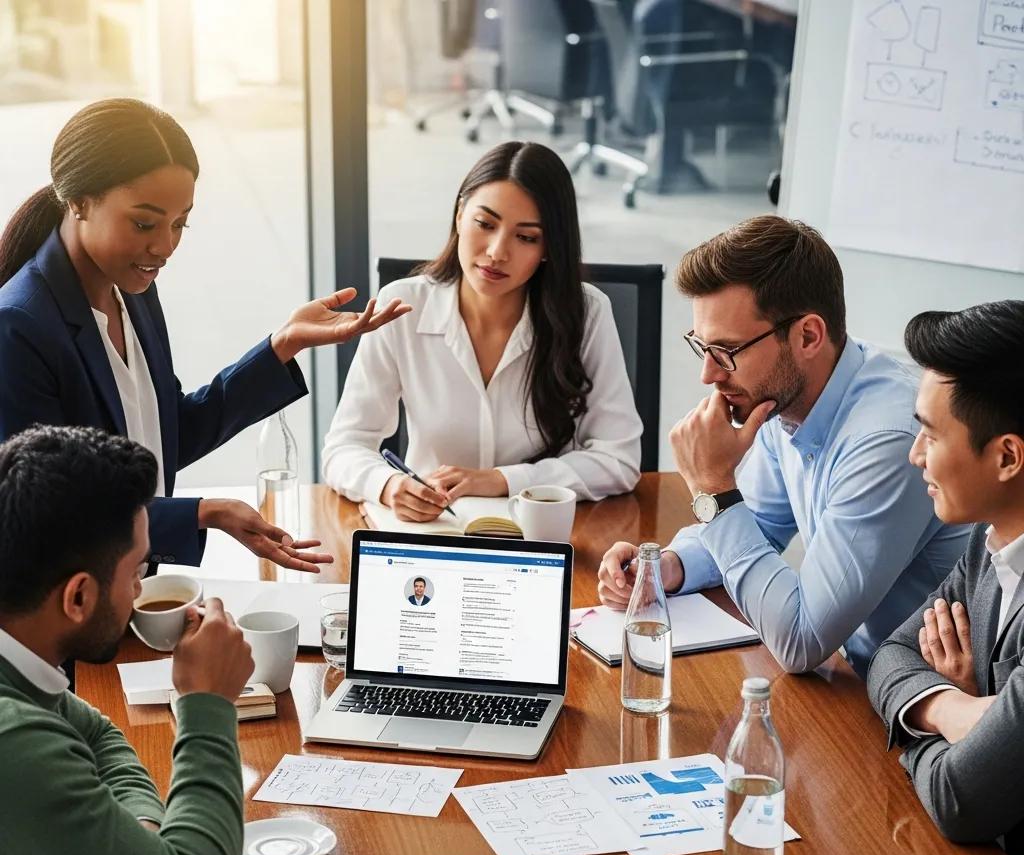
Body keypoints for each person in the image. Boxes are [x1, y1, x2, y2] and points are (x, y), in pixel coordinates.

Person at [0, 98, 410, 570]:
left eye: (180, 223)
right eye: (144, 223)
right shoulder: (21, 327)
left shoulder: (130, 290)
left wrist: (284, 345)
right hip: (71, 601)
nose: (165, 246)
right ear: (78, 201)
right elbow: (51, 514)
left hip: (133, 581)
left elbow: (172, 431)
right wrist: (200, 513)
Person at [597, 216, 969, 678]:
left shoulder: (887, 441)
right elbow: (759, 526)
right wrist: (668, 567)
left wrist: (712, 488)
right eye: (703, 348)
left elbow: (800, 640)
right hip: (854, 678)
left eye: (728, 351)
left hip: (908, 700)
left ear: (808, 336)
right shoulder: (784, 399)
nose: (709, 376)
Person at [0, 425, 255, 855]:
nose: (143, 590)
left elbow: (98, 735)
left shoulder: (20, 651)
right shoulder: (13, 743)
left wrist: (138, 833)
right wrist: (207, 703)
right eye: (138, 571)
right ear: (79, 598)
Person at [320, 141, 642, 520]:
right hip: (434, 535)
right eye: (485, 224)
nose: (496, 252)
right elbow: (343, 447)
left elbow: (619, 460)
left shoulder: (586, 313)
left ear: (549, 248)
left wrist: (503, 480)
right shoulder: (403, 308)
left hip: (544, 538)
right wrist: (387, 485)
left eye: (526, 237)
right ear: (459, 216)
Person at [867, 301, 1024, 855]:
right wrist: (955, 709)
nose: (915, 457)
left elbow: (962, 800)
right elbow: (894, 653)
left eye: (931, 437)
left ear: (1007, 456)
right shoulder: (990, 543)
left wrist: (922, 733)